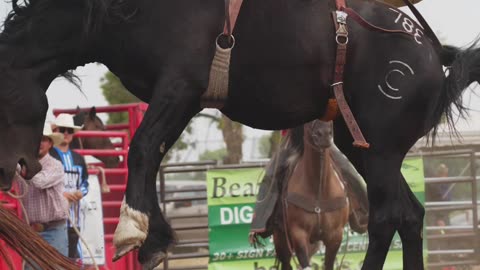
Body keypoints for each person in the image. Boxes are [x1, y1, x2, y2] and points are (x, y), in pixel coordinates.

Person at [14, 123, 69, 269]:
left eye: (43, 139)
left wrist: (19, 168)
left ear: (50, 143)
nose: (39, 143)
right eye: (35, 138)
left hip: (54, 230)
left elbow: (39, 181)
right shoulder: (21, 166)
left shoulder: (55, 166)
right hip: (32, 232)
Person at [50, 113, 89, 260]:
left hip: (75, 219)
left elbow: (85, 182)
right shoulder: (50, 156)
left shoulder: (78, 158)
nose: (66, 133)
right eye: (62, 129)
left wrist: (81, 192)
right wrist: (62, 195)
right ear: (56, 132)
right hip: (54, 220)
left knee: (73, 258)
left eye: (69, 130)